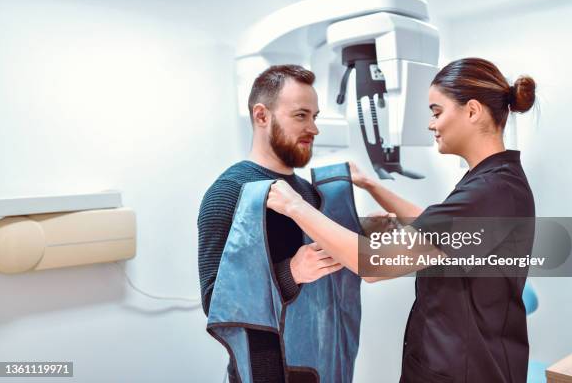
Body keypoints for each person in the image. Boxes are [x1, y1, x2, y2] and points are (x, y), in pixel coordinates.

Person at [267, 58, 537, 383]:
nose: (431, 124)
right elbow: (439, 226)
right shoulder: (495, 182)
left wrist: (295, 206)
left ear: (472, 111)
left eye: (437, 111)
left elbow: (375, 265)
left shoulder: (489, 192)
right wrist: (371, 185)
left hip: (463, 370)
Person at [197, 64, 344, 383]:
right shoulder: (228, 192)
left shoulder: (306, 192)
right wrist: (293, 272)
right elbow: (214, 300)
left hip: (317, 365)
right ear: (262, 116)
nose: (314, 129)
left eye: (315, 117)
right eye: (301, 115)